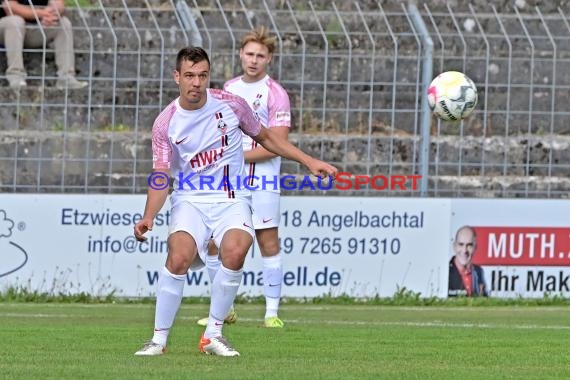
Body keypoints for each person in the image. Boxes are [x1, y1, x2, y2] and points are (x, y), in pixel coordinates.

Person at [133, 46, 337, 357]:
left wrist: (308, 161)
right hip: (191, 198)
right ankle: (158, 340)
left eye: (202, 75)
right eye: (189, 75)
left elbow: (267, 137)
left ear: (208, 76)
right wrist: (149, 216)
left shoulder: (232, 104)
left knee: (237, 248)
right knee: (179, 257)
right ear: (177, 77)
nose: (196, 83)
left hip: (232, 197)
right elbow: (161, 173)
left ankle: (213, 334)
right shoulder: (166, 123)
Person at [197, 26, 289, 329]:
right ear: (240, 54)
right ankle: (225, 309)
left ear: (269, 59)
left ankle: (271, 313)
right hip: (229, 180)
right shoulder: (228, 88)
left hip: (262, 179)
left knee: (267, 241)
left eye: (260, 55)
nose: (253, 60)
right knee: (214, 242)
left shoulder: (276, 94)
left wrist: (235, 156)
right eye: (249, 54)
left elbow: (276, 146)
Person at [0, 0, 87, 89]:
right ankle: (15, 76)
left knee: (64, 23)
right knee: (15, 21)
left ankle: (66, 77)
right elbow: (9, 7)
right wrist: (40, 13)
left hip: (34, 28)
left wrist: (52, 14)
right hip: (7, 29)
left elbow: (58, 3)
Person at [448, 225, 488, 297]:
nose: (464, 250)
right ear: (454, 246)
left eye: (469, 245)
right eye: (461, 244)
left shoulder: (479, 271)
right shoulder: (446, 272)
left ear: (475, 247)